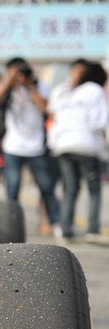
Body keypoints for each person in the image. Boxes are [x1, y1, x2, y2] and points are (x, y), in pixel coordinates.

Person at [0, 57, 60, 235]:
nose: (17, 76)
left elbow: (45, 108)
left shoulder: (39, 86)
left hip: (36, 147)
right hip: (12, 146)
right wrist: (9, 82)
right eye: (13, 72)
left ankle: (55, 223)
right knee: (12, 188)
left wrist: (30, 87)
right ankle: (11, 225)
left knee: (46, 187)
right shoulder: (6, 88)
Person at [49, 61, 108, 245]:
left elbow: (55, 118)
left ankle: (65, 230)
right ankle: (92, 230)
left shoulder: (69, 92)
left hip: (63, 145)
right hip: (85, 145)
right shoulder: (94, 90)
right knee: (94, 189)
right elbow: (98, 121)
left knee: (70, 189)